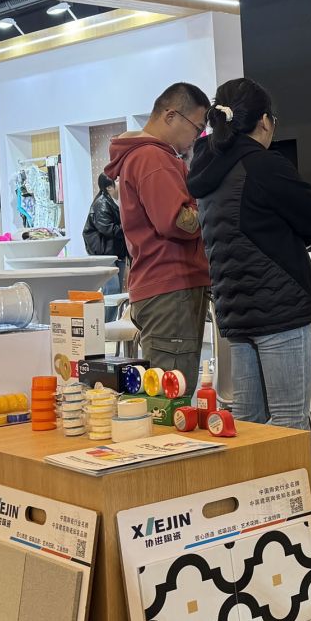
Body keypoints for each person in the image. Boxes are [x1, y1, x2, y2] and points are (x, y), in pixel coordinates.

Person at [188, 77, 311, 553]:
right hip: (280, 309)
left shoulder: (205, 171)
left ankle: (255, 527)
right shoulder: (264, 165)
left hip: (235, 312)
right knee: (287, 426)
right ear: (263, 121)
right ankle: (303, 532)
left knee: (250, 423)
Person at [104, 82, 211, 393]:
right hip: (170, 285)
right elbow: (177, 221)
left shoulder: (145, 156)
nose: (196, 137)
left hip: (164, 285)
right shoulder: (152, 157)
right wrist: (210, 207)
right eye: (197, 127)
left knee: (170, 389)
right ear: (170, 115)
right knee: (171, 395)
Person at [82, 173, 129, 300]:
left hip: (115, 252)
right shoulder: (101, 203)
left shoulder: (114, 201)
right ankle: (107, 314)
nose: (121, 183)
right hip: (105, 254)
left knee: (116, 292)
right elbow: (107, 228)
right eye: (117, 181)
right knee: (112, 290)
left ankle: (110, 314)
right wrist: (129, 227)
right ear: (109, 187)